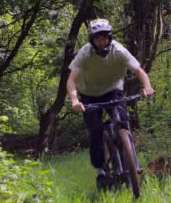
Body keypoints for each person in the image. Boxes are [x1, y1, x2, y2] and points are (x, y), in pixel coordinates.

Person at [66, 18, 155, 189]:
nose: (102, 41)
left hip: (113, 90)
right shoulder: (85, 54)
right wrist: (75, 100)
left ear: (110, 37)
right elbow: (71, 80)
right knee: (96, 132)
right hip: (89, 94)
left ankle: (130, 161)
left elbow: (139, 71)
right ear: (92, 40)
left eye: (105, 37)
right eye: (98, 38)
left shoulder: (119, 50)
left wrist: (147, 87)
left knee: (123, 123)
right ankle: (100, 171)